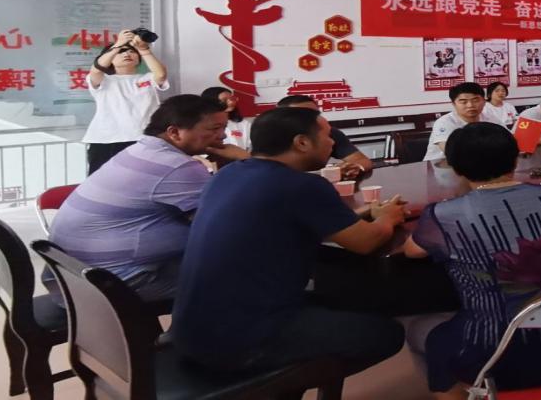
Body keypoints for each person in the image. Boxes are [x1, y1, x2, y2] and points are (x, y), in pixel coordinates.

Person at [172, 107, 407, 374]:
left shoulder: (230, 174)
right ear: (302, 142)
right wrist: (388, 217)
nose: (333, 143)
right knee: (387, 333)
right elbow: (367, 242)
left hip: (193, 329)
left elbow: (294, 219)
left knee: (344, 296)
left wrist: (364, 213)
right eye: (327, 135)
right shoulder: (302, 185)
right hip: (240, 340)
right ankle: (284, 382)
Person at [400, 123, 541, 398]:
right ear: (515, 160)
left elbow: (412, 251)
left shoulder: (445, 214)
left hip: (499, 359)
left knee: (418, 329)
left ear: (456, 169)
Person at [46, 95, 226, 303]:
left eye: (224, 128)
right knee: (241, 273)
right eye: (214, 129)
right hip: (112, 284)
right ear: (174, 132)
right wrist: (245, 163)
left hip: (72, 280)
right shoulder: (178, 166)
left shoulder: (141, 150)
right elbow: (223, 226)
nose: (222, 135)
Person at [82, 29, 170, 173]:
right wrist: (118, 44)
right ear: (111, 58)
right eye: (121, 52)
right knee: (105, 182)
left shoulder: (147, 78)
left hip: (144, 138)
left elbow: (161, 75)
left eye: (131, 51)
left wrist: (143, 49)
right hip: (107, 140)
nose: (127, 54)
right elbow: (96, 70)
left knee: (145, 179)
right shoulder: (104, 80)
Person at [277, 94, 372, 178]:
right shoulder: (273, 138)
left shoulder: (329, 133)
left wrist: (351, 168)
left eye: (315, 114)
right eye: (303, 115)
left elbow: (362, 160)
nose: (312, 119)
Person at [424, 83, 486, 163]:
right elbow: (451, 152)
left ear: (484, 101)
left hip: (478, 163)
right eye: (463, 102)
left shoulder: (490, 118)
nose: (470, 105)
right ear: (454, 104)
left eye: (475, 100)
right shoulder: (444, 122)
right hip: (440, 165)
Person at [201, 86, 252, 151]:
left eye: (232, 99)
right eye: (224, 100)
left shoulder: (243, 123)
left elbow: (249, 148)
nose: (231, 102)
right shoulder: (200, 124)